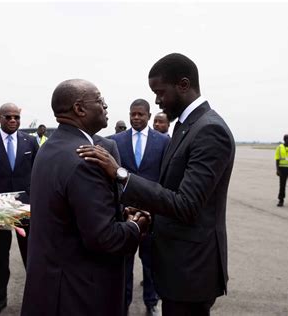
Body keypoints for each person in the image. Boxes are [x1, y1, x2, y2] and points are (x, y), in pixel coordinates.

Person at [79, 53, 236, 316]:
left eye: (160, 92)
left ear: (183, 85)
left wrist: (120, 174)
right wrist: (150, 216)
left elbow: (187, 204)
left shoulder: (209, 130)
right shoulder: (187, 126)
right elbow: (174, 192)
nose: (157, 100)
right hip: (179, 265)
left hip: (191, 270)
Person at [21, 79, 150, 316]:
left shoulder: (50, 148)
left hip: (52, 285)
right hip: (79, 294)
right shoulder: (85, 159)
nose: (106, 106)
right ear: (79, 109)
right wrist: (134, 226)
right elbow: (104, 237)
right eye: (100, 101)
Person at [0, 103, 39, 315]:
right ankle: (0, 297)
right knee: (1, 256)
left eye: (16, 118)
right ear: (0, 119)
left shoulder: (30, 141)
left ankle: (35, 298)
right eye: (8, 117)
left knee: (30, 254)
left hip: (25, 207)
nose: (13, 121)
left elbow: (38, 173)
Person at [110, 98, 169, 316]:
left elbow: (165, 178)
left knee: (151, 263)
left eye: (140, 114)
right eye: (132, 114)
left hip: (152, 215)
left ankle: (151, 302)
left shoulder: (163, 142)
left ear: (149, 116)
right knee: (123, 264)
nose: (136, 118)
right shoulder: (115, 141)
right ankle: (122, 304)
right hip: (123, 215)